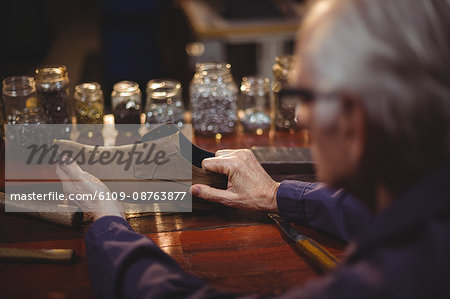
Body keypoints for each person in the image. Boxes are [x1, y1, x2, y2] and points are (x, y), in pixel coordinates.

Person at [56, 0, 450, 297]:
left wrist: (108, 224)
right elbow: (369, 212)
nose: (301, 119)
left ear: (355, 124)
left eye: (305, 95)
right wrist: (279, 194)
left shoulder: (394, 280)